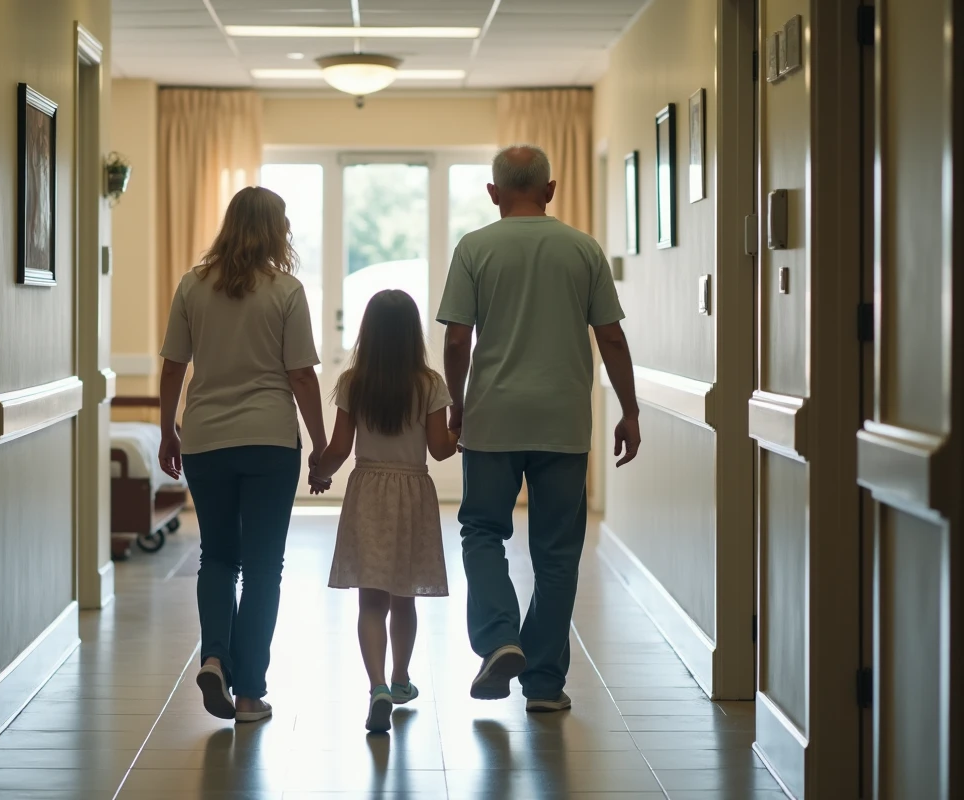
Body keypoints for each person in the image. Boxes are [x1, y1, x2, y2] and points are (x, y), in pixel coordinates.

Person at [436, 144, 641, 712]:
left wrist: (457, 403)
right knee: (556, 552)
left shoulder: (475, 247)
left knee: (482, 531)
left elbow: (457, 339)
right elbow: (613, 338)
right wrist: (630, 408)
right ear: (550, 190)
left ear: (494, 193)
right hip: (562, 420)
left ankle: (500, 638)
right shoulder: (583, 249)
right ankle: (545, 683)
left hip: (492, 418)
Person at [157, 186, 327, 724]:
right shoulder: (286, 290)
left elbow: (172, 368)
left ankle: (214, 655)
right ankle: (250, 693)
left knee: (218, 556)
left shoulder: (192, 285)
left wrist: (167, 432)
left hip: (205, 439)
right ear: (276, 229)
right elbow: (301, 374)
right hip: (270, 442)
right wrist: (321, 443)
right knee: (261, 568)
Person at [310, 290, 458, 733]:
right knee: (403, 594)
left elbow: (339, 448)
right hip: (412, 490)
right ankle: (399, 679)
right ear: (413, 332)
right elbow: (440, 450)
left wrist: (320, 471)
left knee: (370, 600)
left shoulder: (354, 381)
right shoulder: (430, 384)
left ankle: (375, 686)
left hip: (368, 489)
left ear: (368, 332)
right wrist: (459, 429)